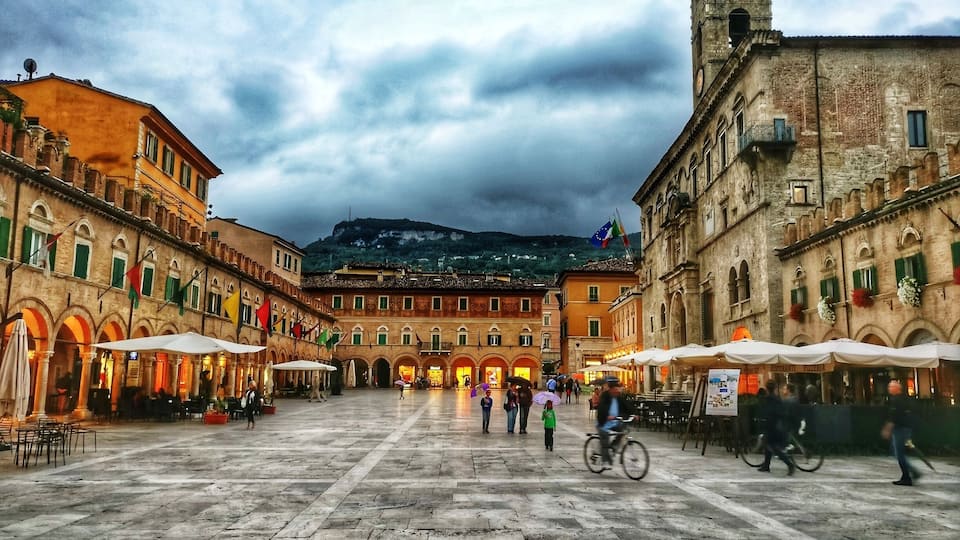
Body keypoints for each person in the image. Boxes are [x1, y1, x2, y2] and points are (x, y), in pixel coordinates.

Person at [882, 380, 919, 486]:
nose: (889, 389)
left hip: (900, 429)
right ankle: (908, 474)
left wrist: (887, 429)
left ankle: (908, 476)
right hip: (904, 428)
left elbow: (895, 417)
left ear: (897, 389)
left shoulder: (897, 401)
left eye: (891, 387)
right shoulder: (901, 399)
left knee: (899, 454)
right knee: (897, 452)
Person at [757, 380, 795, 475]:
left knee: (774, 448)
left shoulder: (769, 399)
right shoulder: (777, 399)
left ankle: (789, 464)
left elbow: (768, 412)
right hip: (777, 425)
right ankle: (766, 465)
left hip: (772, 426)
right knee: (768, 445)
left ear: (767, 388)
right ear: (774, 388)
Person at [596, 381, 629, 468]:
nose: (617, 391)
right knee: (605, 439)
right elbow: (601, 409)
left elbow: (627, 406)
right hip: (603, 423)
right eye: (615, 389)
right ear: (611, 389)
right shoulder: (605, 397)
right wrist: (607, 416)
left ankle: (614, 446)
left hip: (614, 422)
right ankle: (605, 461)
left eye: (618, 389)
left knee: (622, 431)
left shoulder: (619, 397)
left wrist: (634, 414)